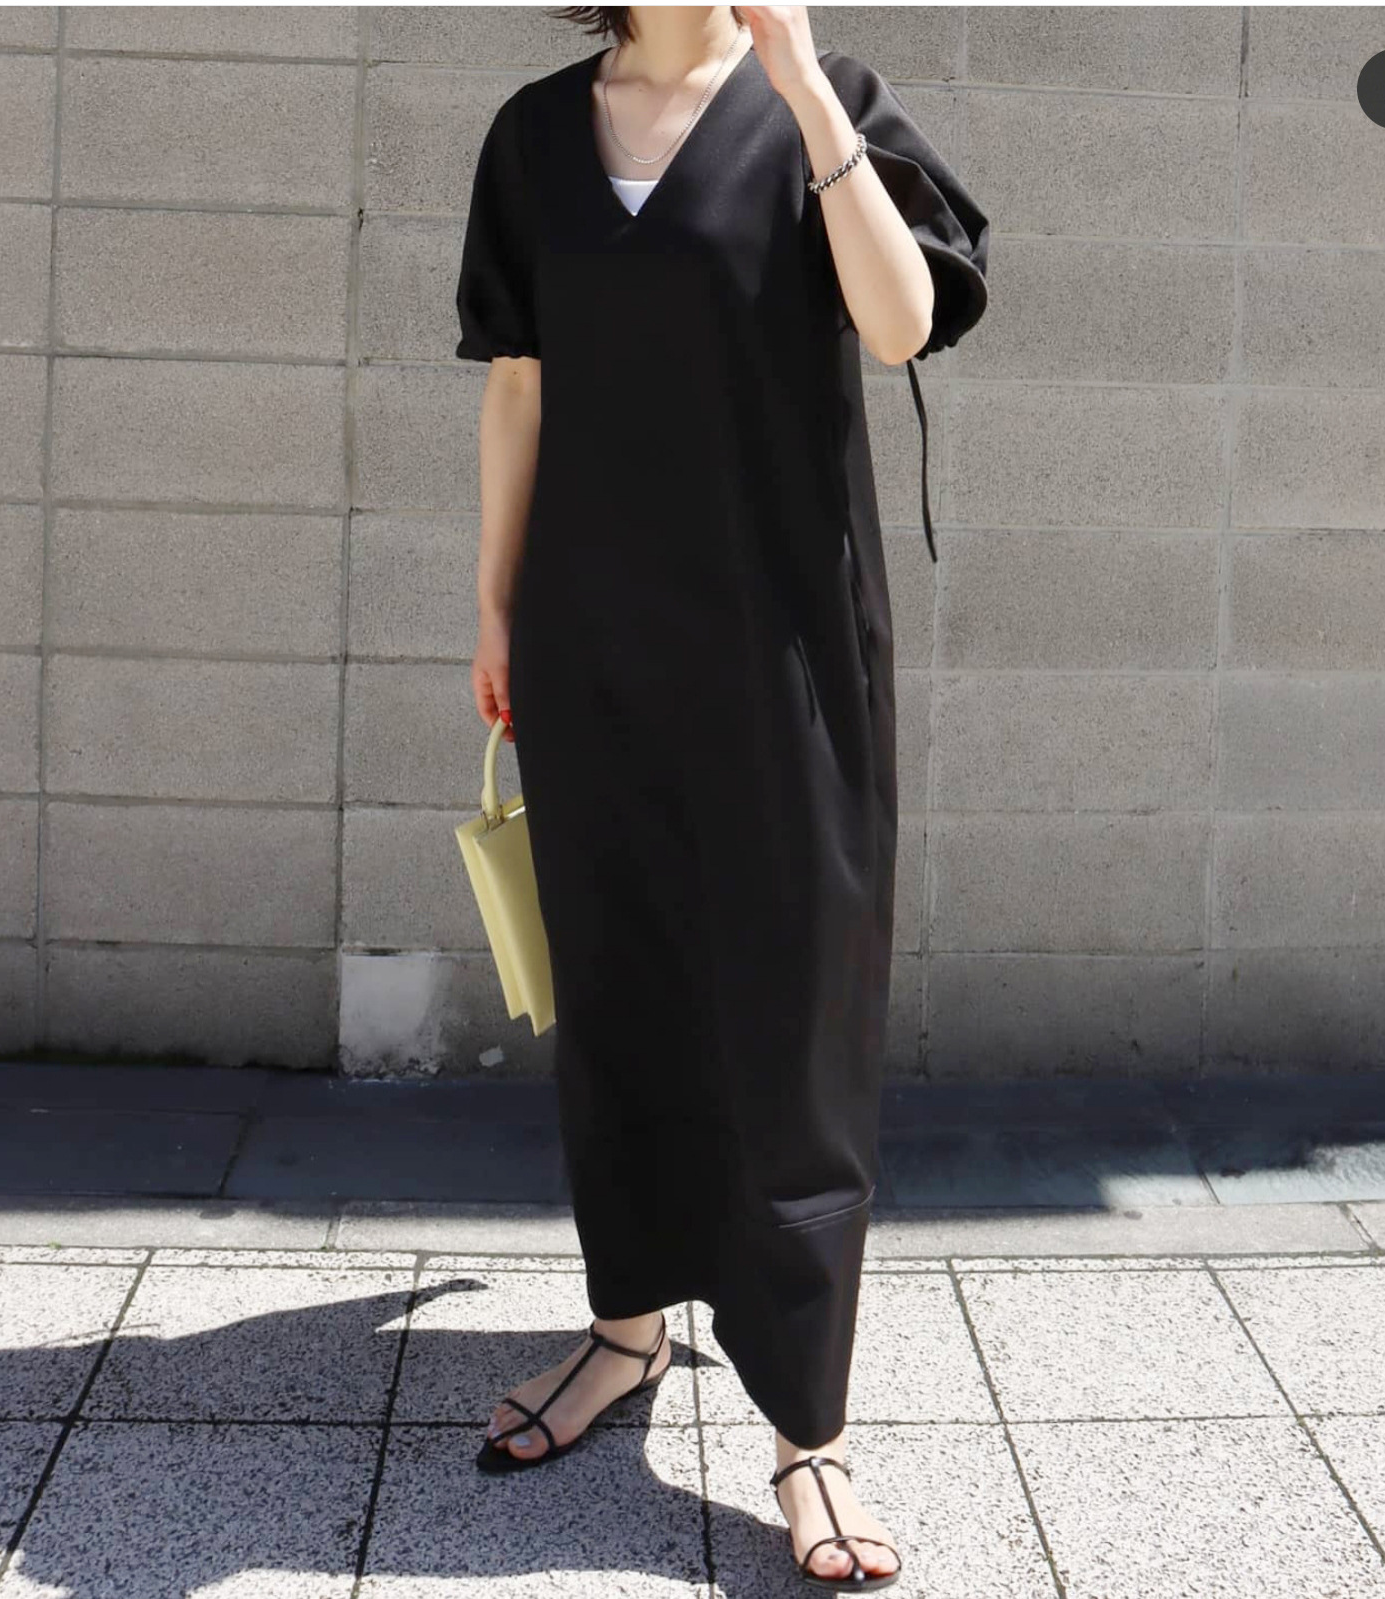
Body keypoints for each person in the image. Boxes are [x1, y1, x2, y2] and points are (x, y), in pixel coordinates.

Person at [457, 5, 988, 1588]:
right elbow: (520, 384)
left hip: (785, 653)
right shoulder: (535, 134)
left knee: (792, 1017)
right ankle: (624, 1330)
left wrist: (807, 87)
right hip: (590, 643)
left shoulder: (830, 103)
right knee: (618, 987)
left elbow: (901, 323)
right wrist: (495, 605)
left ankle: (809, 1434)